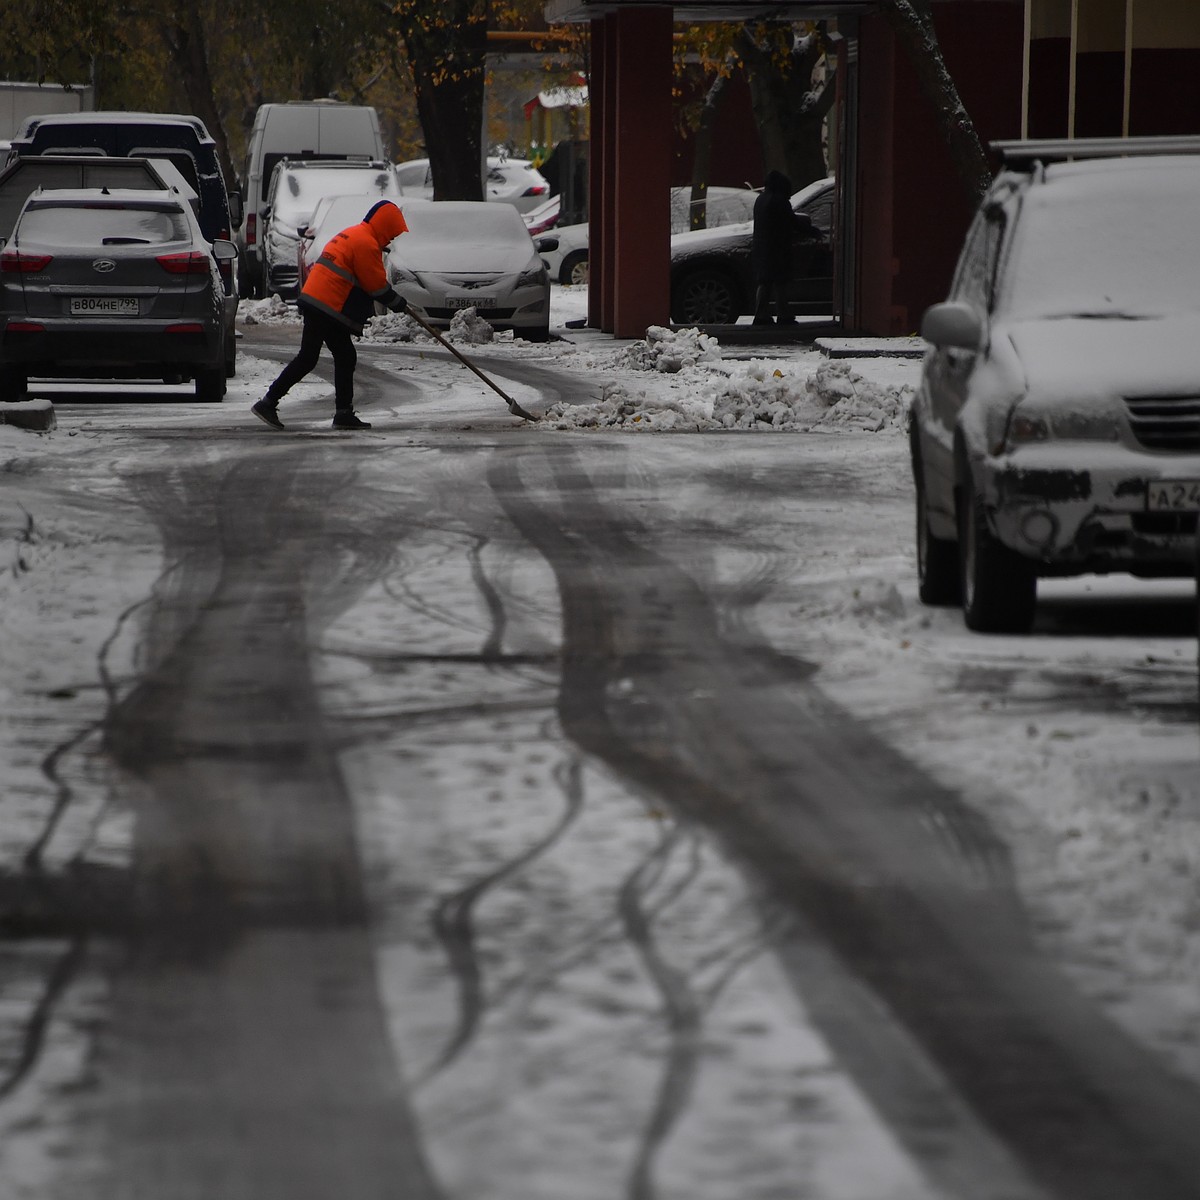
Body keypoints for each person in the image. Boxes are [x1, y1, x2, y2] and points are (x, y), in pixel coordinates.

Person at [252, 199, 411, 431]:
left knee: (344, 355)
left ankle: (343, 413)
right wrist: (399, 303)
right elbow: (376, 286)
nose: (391, 239)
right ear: (385, 226)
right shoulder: (366, 243)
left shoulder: (354, 233)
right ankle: (268, 402)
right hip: (326, 305)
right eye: (392, 233)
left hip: (320, 301)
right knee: (309, 358)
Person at [751, 170, 806, 326]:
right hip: (778, 248)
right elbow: (791, 221)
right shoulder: (779, 201)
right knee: (781, 282)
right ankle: (783, 314)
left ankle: (761, 314)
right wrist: (809, 229)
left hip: (762, 247)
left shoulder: (760, 199)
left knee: (765, 282)